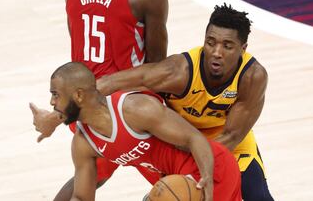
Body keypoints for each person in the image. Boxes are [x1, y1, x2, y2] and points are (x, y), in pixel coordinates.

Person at [97, 4, 274, 201]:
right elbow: (118, 81)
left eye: (227, 46)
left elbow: (231, 137)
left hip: (227, 143)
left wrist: (196, 157)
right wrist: (69, 103)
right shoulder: (179, 72)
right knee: (97, 173)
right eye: (210, 42)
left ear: (243, 49)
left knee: (259, 197)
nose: (216, 52)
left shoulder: (252, 77)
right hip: (180, 143)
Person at [29, 0, 168, 200]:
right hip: (130, 109)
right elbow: (158, 69)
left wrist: (58, 115)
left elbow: (78, 63)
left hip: (83, 108)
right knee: (185, 180)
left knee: (90, 177)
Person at [49, 62, 242, 201]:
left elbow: (194, 138)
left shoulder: (135, 109)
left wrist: (207, 177)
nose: (52, 103)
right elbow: (82, 197)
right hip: (174, 180)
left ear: (79, 95)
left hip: (209, 168)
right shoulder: (83, 143)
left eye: (55, 95)